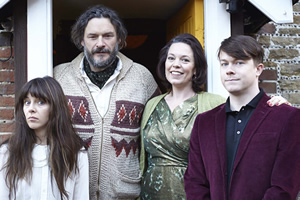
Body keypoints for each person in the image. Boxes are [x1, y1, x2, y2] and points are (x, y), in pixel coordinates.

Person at [54, 5, 159, 199]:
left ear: (119, 39)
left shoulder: (142, 77)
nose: (100, 43)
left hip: (125, 193)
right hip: (71, 190)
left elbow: (157, 135)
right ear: (81, 40)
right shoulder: (59, 77)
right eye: (93, 37)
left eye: (108, 36)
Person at [184, 35, 300, 200]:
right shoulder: (204, 122)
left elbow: (284, 187)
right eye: (224, 63)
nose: (229, 69)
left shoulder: (287, 118)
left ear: (258, 69)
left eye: (239, 62)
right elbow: (195, 182)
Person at [0, 76, 89, 200]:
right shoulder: (8, 152)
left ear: (55, 107)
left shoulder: (76, 153)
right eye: (27, 102)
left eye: (40, 102)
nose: (31, 109)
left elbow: (81, 197)